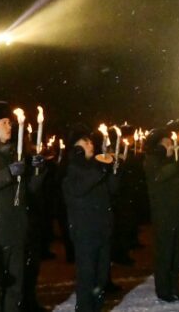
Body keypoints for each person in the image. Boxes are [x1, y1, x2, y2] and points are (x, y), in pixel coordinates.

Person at [0, 100, 46, 312]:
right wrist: (8, 174)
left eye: (9, 122)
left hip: (17, 228)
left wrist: (39, 171)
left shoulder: (17, 154)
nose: (9, 126)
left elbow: (29, 190)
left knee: (16, 285)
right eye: (4, 122)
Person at [62, 126, 119, 311]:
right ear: (76, 148)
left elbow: (112, 190)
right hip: (85, 232)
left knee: (101, 277)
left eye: (90, 141)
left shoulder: (96, 166)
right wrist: (102, 169)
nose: (91, 144)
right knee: (87, 277)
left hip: (102, 228)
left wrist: (114, 171)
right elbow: (80, 188)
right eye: (85, 142)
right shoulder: (72, 168)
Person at [144, 124, 179, 302]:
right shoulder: (151, 159)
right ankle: (164, 289)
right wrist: (175, 165)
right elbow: (159, 176)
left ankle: (174, 286)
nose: (170, 145)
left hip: (176, 211)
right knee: (165, 252)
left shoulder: (172, 161)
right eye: (166, 142)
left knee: (177, 251)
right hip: (164, 213)